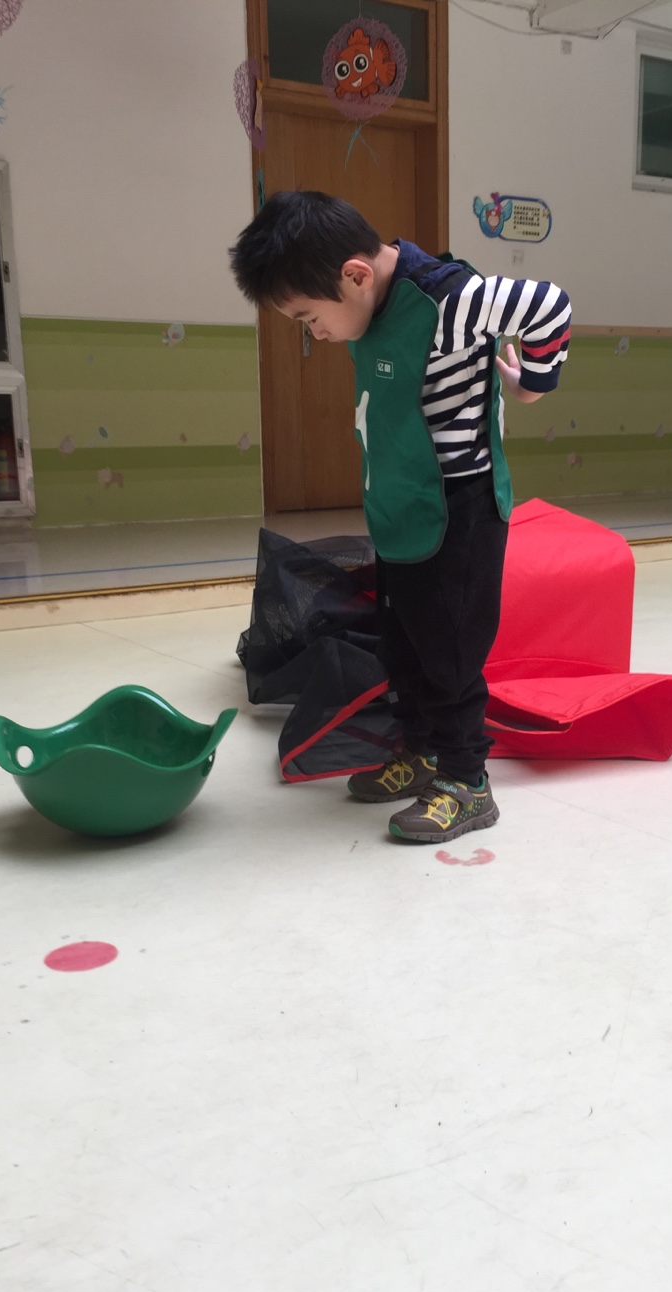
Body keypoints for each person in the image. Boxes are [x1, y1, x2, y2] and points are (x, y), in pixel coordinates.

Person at [229, 190, 570, 843]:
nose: (315, 333)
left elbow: (549, 305)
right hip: (399, 503)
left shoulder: (450, 299)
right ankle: (421, 753)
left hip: (458, 507)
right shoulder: (371, 302)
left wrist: (534, 381)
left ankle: (467, 781)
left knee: (450, 651)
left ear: (355, 276)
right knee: (405, 641)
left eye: (309, 317)